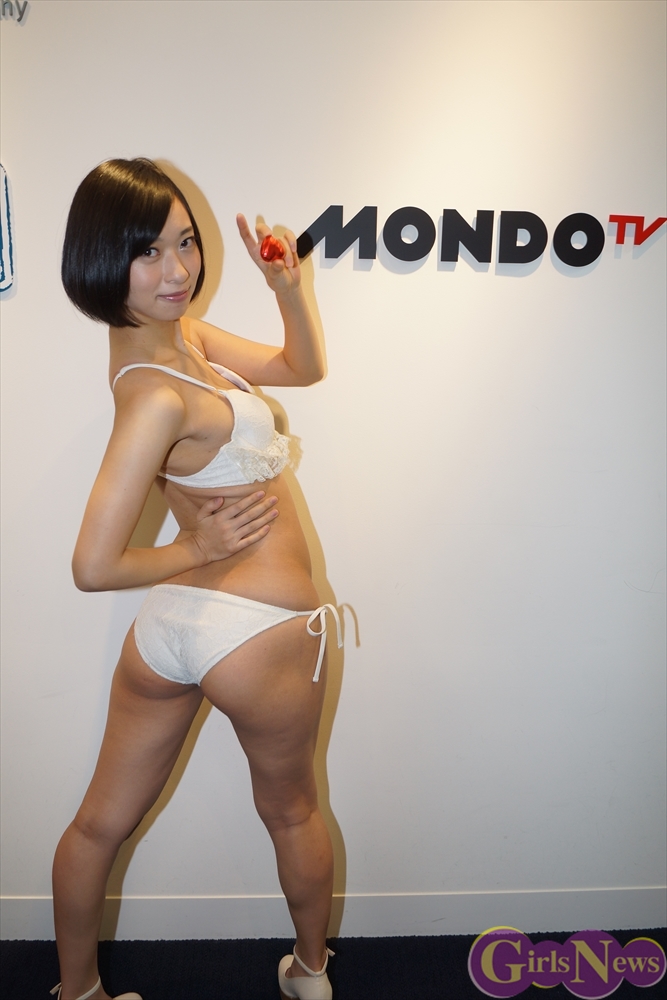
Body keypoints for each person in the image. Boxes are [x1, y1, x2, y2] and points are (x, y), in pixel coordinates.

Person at [51, 158, 340, 1000]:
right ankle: (309, 973)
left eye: (183, 242)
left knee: (98, 824)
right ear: (101, 260)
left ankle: (78, 993)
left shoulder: (184, 341)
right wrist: (196, 547)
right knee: (292, 811)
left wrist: (287, 289)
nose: (176, 269)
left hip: (175, 630)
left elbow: (300, 367)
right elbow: (92, 566)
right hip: (258, 628)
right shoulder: (155, 394)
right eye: (146, 252)